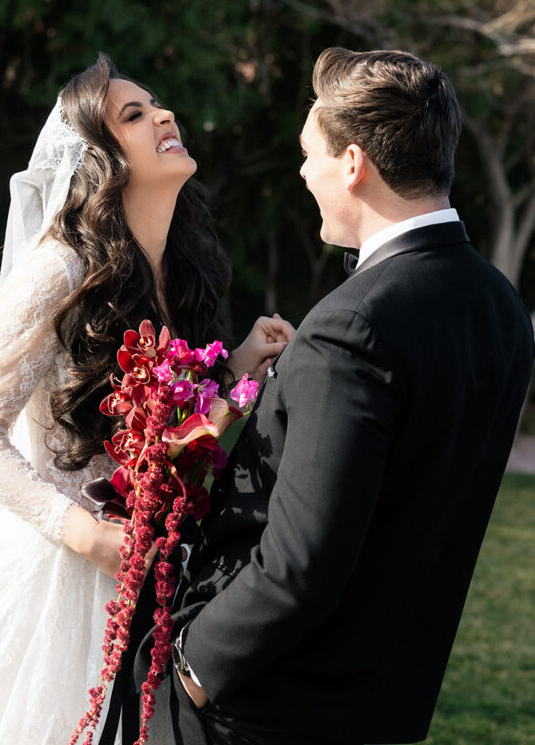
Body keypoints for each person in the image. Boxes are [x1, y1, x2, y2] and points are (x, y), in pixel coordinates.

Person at [0, 53, 292, 745]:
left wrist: (239, 368)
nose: (164, 116)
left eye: (157, 105)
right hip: (50, 581)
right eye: (134, 114)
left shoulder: (182, 274)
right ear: (100, 159)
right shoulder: (60, 269)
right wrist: (81, 532)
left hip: (151, 580)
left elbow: (167, 444)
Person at [144, 48, 534, 745]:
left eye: (308, 154)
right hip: (385, 708)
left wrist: (195, 667)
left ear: (351, 164)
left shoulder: (352, 323)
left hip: (262, 709)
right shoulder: (499, 307)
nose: (301, 173)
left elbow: (300, 562)